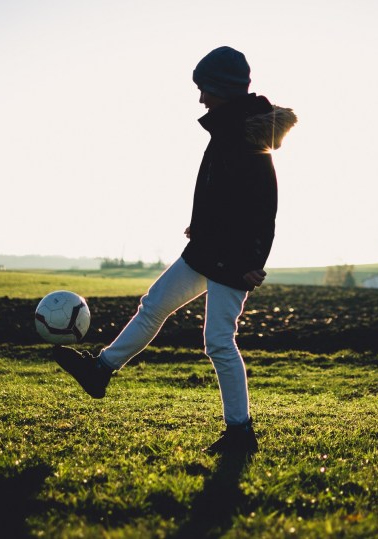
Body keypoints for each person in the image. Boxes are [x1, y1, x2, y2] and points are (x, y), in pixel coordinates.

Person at [53, 46, 297, 454]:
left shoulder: (247, 136)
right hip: (208, 248)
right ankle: (100, 370)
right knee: (154, 305)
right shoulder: (230, 129)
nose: (201, 98)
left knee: (218, 341)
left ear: (224, 88)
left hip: (233, 260)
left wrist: (254, 261)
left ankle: (240, 433)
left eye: (206, 89)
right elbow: (222, 195)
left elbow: (262, 208)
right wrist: (201, 225)